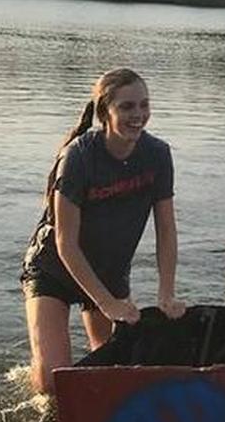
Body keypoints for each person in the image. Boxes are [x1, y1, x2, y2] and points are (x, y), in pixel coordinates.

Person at [21, 68, 185, 394]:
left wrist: (166, 292)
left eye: (143, 105)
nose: (137, 115)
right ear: (104, 112)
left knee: (115, 371)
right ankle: (36, 375)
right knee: (53, 383)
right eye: (126, 107)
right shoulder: (79, 157)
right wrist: (106, 304)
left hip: (109, 271)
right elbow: (65, 242)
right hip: (54, 269)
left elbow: (166, 230)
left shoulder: (157, 154)